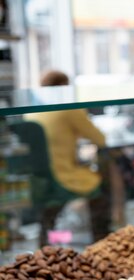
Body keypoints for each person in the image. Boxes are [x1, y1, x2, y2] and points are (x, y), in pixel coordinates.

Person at [26, 70, 110, 245]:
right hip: (63, 175)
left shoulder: (32, 111)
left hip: (39, 178)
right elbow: (100, 139)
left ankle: (45, 239)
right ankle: (102, 239)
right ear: (65, 88)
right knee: (103, 183)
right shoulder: (69, 109)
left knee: (53, 207)